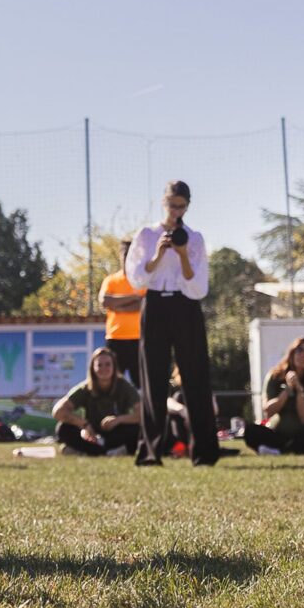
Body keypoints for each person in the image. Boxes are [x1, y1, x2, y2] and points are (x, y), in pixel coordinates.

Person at [128, 181, 223, 466]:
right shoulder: (146, 235)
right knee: (153, 378)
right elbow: (137, 278)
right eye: (172, 205)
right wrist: (158, 254)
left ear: (187, 207)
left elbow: (198, 286)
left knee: (195, 377)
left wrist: (182, 254)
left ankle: (204, 453)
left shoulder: (194, 238)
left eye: (181, 207)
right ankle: (150, 452)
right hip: (156, 303)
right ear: (164, 203)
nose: (175, 212)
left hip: (185, 305)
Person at [243, 337, 304, 457]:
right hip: (277, 433)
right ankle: (298, 450)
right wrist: (288, 389)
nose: (303, 355)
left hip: (303, 434)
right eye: (299, 350)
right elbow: (268, 411)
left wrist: (299, 390)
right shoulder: (275, 376)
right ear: (292, 353)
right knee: (250, 430)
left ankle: (279, 451)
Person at [53, 345, 146, 457]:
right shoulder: (85, 388)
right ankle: (103, 451)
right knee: (62, 428)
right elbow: (58, 411)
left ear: (114, 367)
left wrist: (118, 420)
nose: (104, 369)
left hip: (116, 433)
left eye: (108, 364)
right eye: (99, 365)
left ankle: (87, 451)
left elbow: (142, 413)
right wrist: (84, 425)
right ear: (93, 368)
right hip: (92, 434)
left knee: (137, 429)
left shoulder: (125, 387)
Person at [98, 255, 144, 381]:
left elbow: (144, 303)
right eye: (124, 254)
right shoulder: (111, 280)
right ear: (120, 256)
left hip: (138, 339)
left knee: (141, 382)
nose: (127, 258)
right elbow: (105, 301)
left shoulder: (142, 280)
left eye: (131, 254)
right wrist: (134, 297)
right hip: (115, 338)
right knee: (113, 382)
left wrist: (118, 306)